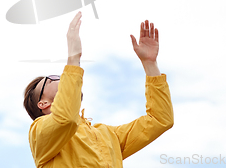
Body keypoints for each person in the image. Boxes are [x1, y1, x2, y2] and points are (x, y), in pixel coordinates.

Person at [23, 12, 174, 167]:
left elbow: (160, 120)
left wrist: (150, 64)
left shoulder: (108, 135)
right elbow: (66, 119)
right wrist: (73, 58)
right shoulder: (38, 132)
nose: (63, 78)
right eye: (52, 79)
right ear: (43, 103)